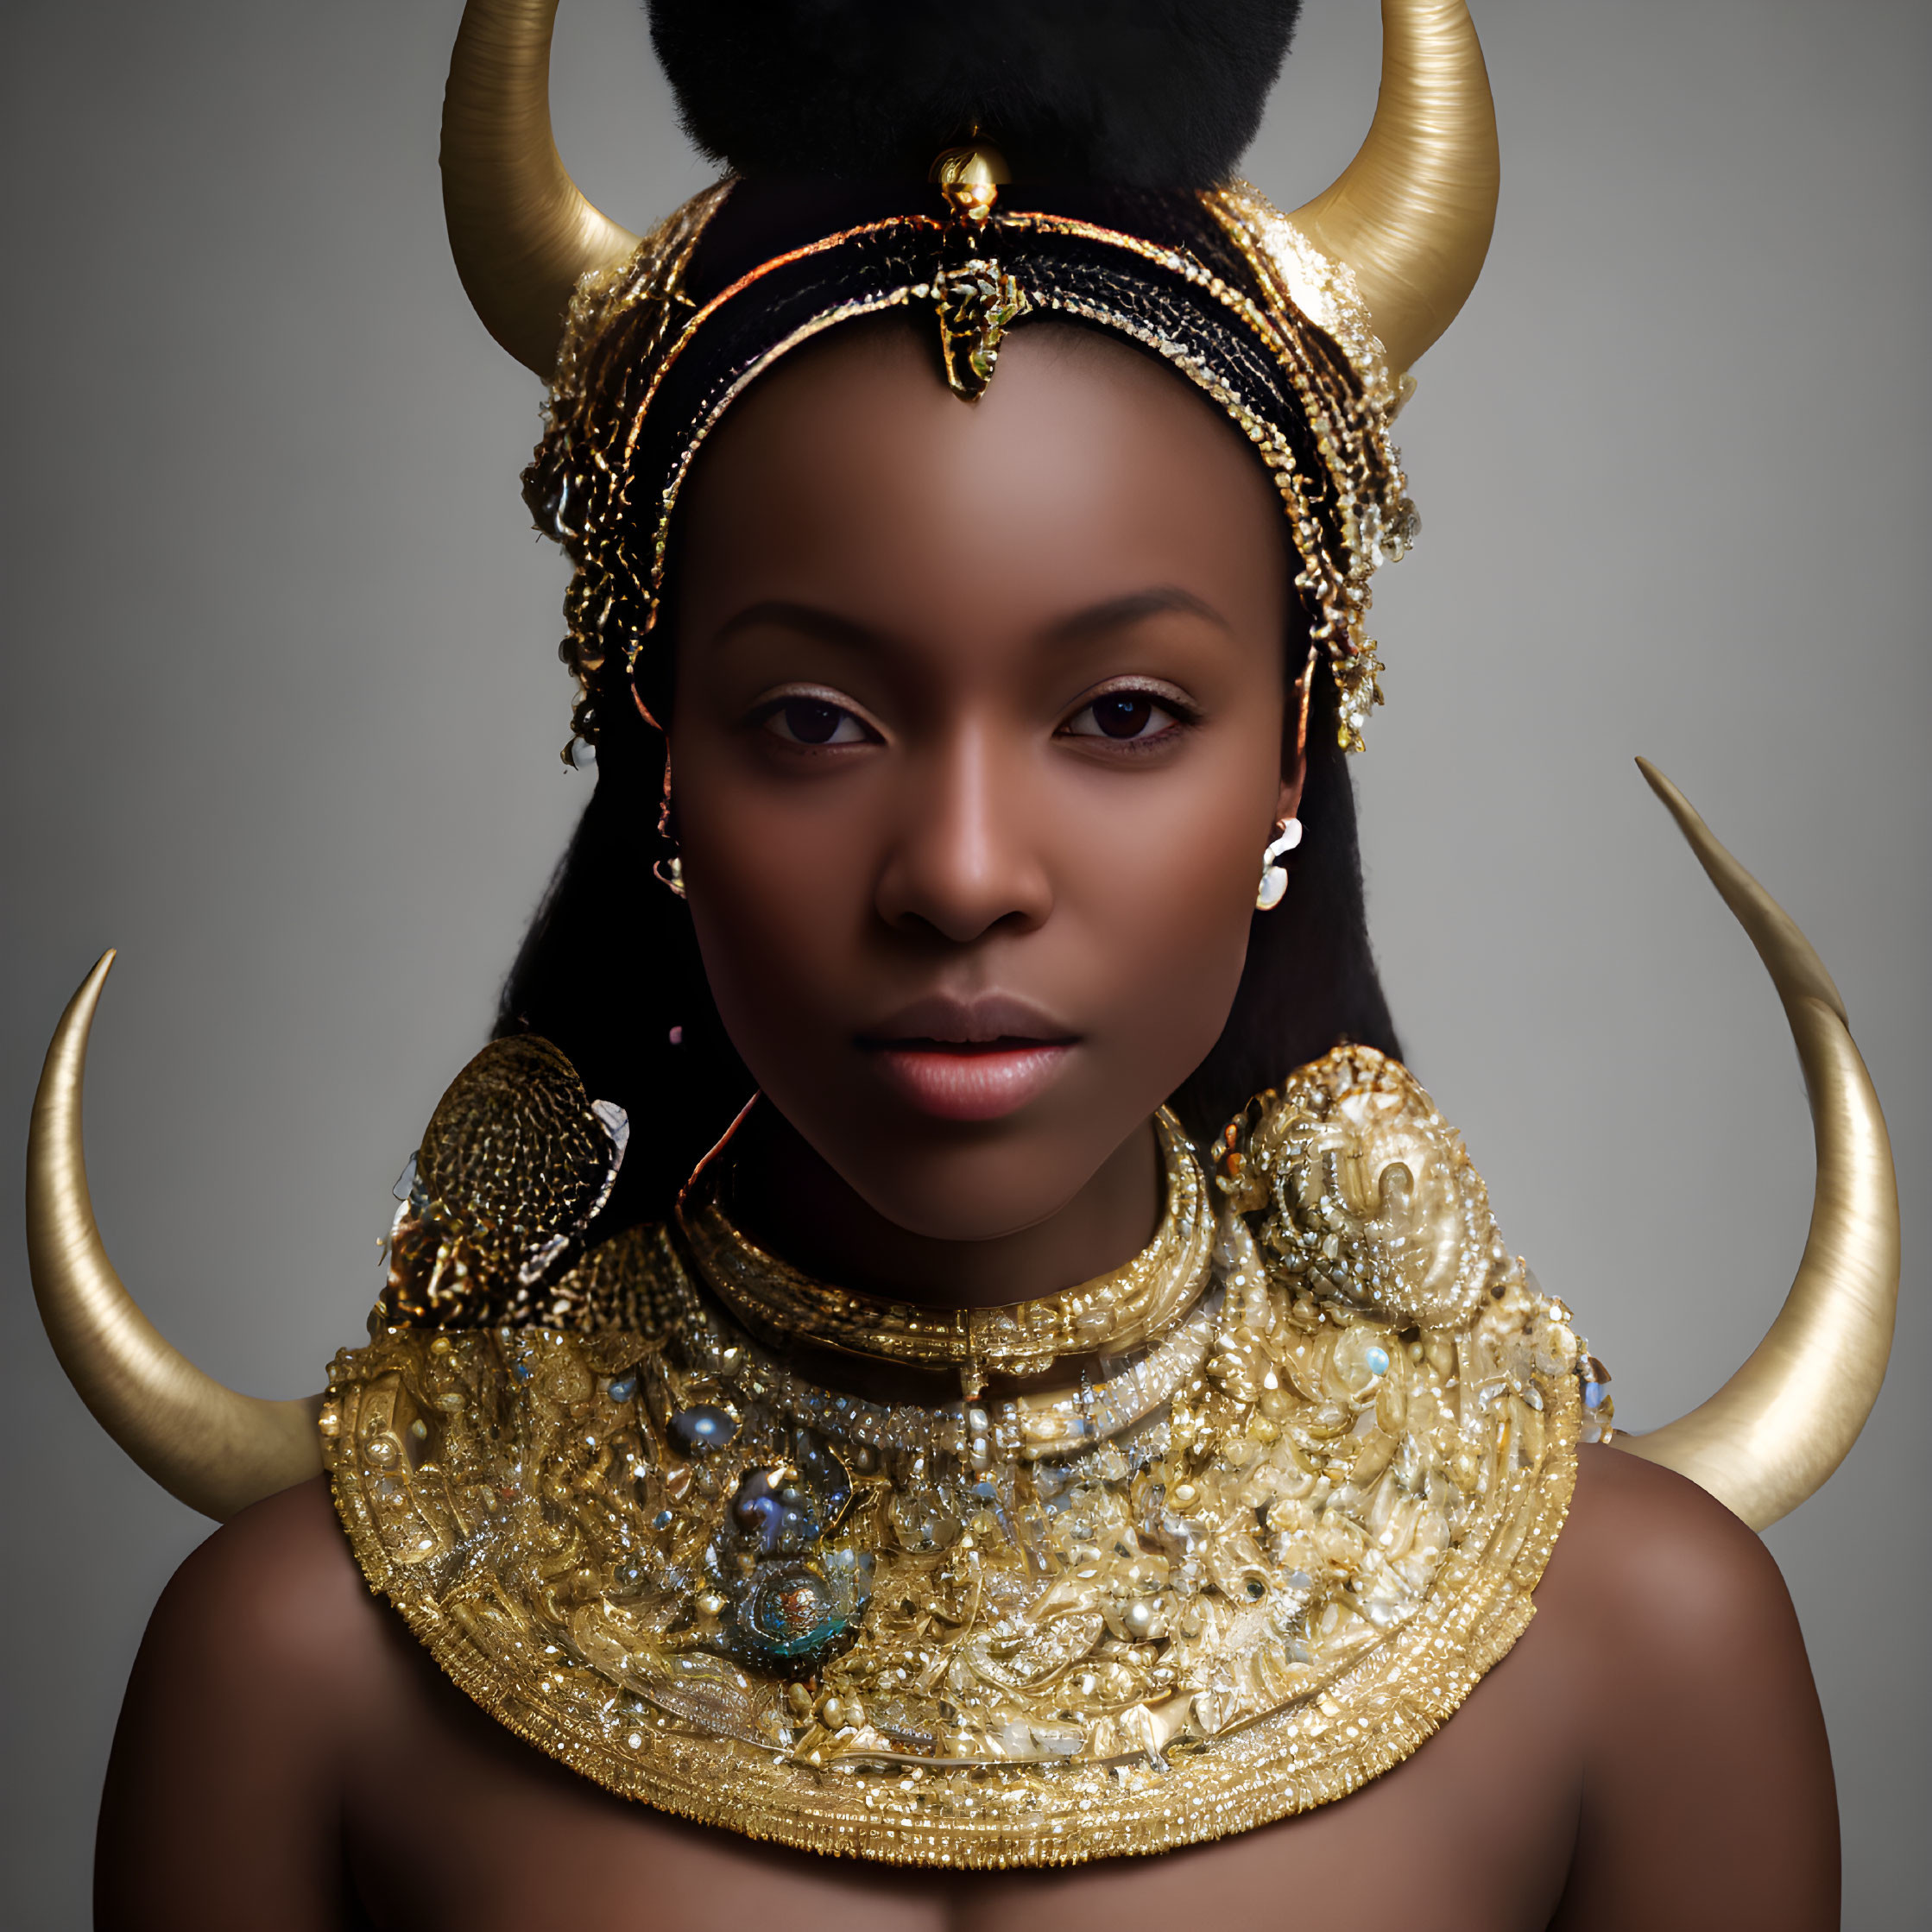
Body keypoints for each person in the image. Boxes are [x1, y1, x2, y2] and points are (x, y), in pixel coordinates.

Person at [24, 3, 1897, 1926]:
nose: (964, 874)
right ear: (657, 761)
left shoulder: (1640, 1652)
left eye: (1126, 713)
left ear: (1291, 759)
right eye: (819, 722)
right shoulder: (305, 1671)